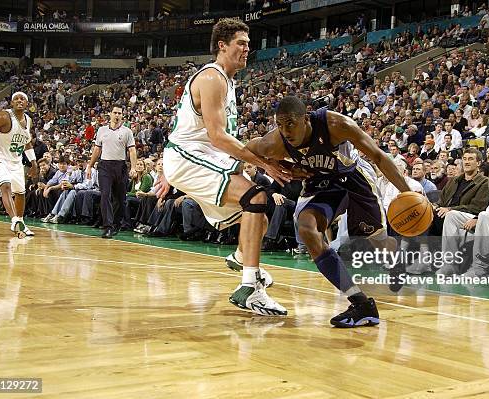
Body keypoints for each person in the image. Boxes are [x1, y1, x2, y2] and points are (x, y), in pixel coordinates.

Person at [157, 19, 291, 316]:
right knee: (256, 197)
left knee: (258, 217)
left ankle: (242, 257)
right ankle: (250, 289)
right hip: (188, 156)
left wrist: (245, 166)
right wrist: (264, 164)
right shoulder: (212, 78)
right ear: (222, 45)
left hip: (199, 157)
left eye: (247, 43)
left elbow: (214, 140)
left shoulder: (228, 82)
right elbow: (217, 136)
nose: (247, 48)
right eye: (241, 43)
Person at [244, 96, 412, 328]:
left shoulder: (336, 125)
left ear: (306, 119)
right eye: (280, 125)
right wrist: (273, 166)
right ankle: (361, 304)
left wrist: (407, 192)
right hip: (321, 184)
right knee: (307, 229)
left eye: (290, 123)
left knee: (379, 241)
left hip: (354, 179)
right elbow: (247, 148)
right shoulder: (276, 142)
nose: (285, 130)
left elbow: (378, 156)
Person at [0, 92, 37, 237]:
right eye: (15, 99)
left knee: (20, 193)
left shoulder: (28, 120)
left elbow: (27, 142)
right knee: (5, 186)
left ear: (27, 104)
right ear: (11, 103)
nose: (19, 100)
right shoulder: (3, 117)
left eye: (22, 98)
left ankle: (21, 223)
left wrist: (34, 163)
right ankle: (15, 220)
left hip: (15, 160)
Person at [87, 105, 137, 239]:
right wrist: (89, 166)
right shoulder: (102, 130)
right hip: (105, 166)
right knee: (105, 195)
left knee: (120, 199)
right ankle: (107, 226)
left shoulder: (127, 131)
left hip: (120, 166)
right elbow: (97, 150)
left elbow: (132, 150)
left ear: (122, 116)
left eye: (119, 113)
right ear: (110, 114)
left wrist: (133, 167)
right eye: (115, 112)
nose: (117, 115)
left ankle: (116, 224)